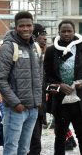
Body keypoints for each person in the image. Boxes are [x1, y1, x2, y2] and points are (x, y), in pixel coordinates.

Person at [44, 20, 82, 155]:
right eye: (63, 31)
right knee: (60, 138)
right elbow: (46, 78)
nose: (66, 34)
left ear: (74, 32)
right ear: (59, 32)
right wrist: (59, 87)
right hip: (60, 103)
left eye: (69, 31)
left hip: (80, 101)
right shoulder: (51, 51)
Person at [0, 11, 43, 155]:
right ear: (16, 27)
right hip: (15, 109)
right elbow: (0, 79)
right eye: (22, 26)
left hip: (33, 109)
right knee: (11, 148)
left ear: (33, 26)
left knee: (24, 149)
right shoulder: (8, 47)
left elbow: (40, 76)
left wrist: (38, 101)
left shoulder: (35, 47)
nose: (26, 29)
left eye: (29, 25)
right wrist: (16, 103)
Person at [28, 23, 47, 155]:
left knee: (36, 137)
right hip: (29, 102)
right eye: (42, 34)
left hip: (40, 102)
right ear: (34, 36)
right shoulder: (31, 52)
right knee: (32, 137)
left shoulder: (44, 52)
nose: (45, 38)